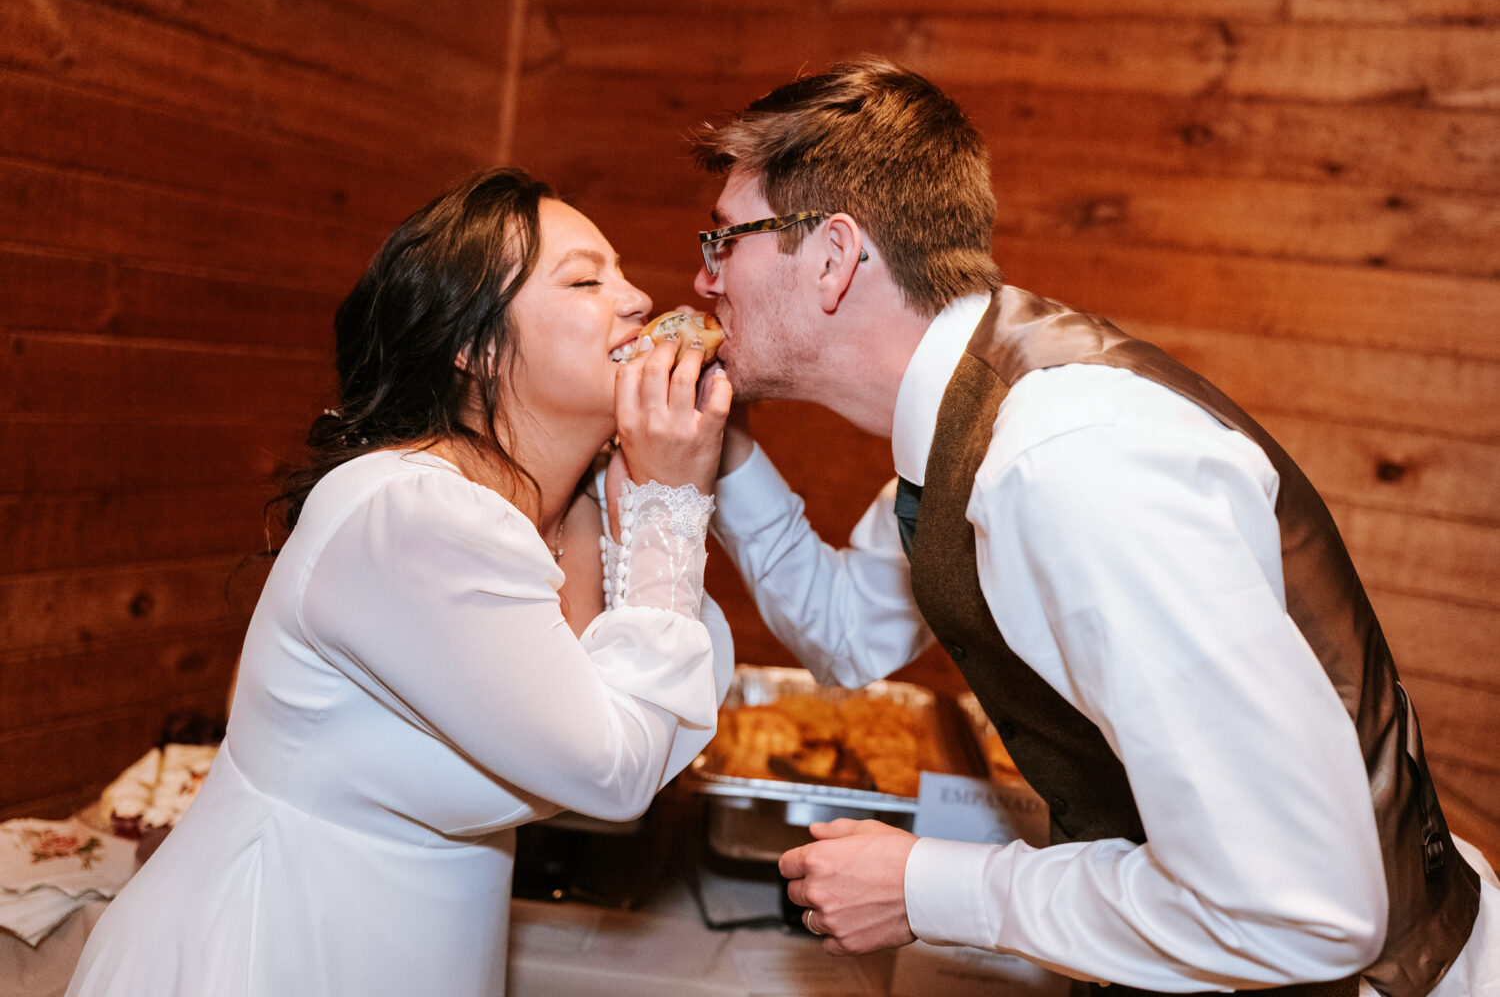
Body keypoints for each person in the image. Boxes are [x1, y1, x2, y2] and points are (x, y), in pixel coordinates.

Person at [691, 57, 1497, 996]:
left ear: (831, 256)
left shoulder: (1060, 460)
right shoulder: (971, 424)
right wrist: (724, 451)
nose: (702, 279)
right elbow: (845, 630)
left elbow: (1305, 908)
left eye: (722, 240)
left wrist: (933, 888)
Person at [66, 167, 734, 996]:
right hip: (262, 950)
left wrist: (641, 492)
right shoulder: (412, 514)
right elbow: (615, 774)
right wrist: (672, 498)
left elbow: (635, 731)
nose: (636, 300)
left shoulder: (572, 516)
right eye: (587, 279)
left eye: (624, 273)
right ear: (475, 345)